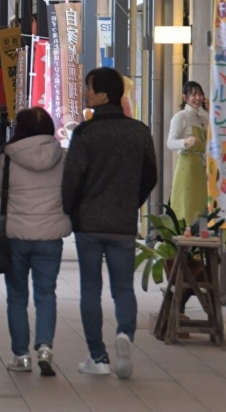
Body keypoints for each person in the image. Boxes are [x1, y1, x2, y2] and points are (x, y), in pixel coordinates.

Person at [62, 67, 157, 379]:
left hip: (89, 223)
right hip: (123, 223)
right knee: (122, 287)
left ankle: (98, 357)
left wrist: (69, 210)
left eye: (89, 88)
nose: (86, 93)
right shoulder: (140, 131)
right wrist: (132, 203)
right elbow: (150, 176)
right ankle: (125, 335)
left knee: (90, 288)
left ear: (103, 95)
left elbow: (72, 178)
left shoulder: (85, 133)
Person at [0, 107, 71, 377]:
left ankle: (21, 355)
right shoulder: (63, 156)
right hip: (50, 236)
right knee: (46, 293)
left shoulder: (8, 158)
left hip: (16, 236)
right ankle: (45, 347)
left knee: (17, 297)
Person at [167, 81, 209, 225]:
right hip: (186, 168)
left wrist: (212, 112)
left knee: (201, 206)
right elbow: (170, 143)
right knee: (186, 205)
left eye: (200, 94)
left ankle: (200, 242)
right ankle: (184, 243)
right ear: (185, 97)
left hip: (201, 168)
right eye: (193, 94)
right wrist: (184, 142)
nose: (198, 98)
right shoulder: (181, 117)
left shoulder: (203, 119)